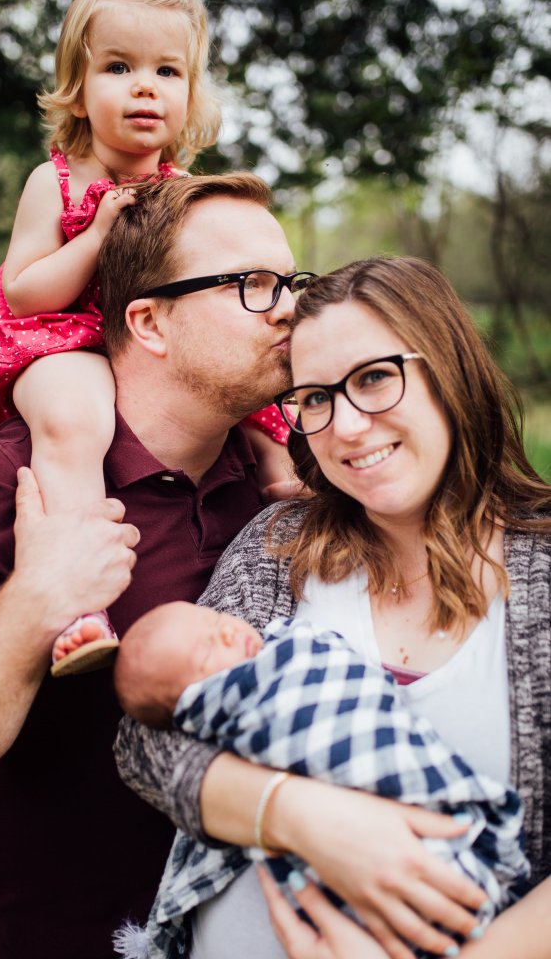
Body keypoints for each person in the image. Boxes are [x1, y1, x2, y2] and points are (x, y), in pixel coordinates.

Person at [0, 171, 314, 959]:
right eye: (250, 284)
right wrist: (38, 597)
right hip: (55, 937)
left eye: (289, 282)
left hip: (256, 934)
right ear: (148, 322)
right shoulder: (7, 483)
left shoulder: (291, 483)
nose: (286, 307)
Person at [114, 255, 551, 959]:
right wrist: (305, 818)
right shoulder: (280, 543)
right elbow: (148, 740)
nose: (345, 426)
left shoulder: (543, 574)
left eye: (374, 378)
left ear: (450, 369)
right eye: (315, 397)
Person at [0, 0, 293, 675]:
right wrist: (97, 234)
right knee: (75, 424)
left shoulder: (178, 192)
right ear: (76, 90)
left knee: (264, 403)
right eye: (118, 67)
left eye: (167, 71)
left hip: (147, 343)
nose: (145, 86)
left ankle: (294, 519)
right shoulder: (57, 180)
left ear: (190, 95)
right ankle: (76, 600)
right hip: (60, 338)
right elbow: (23, 294)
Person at [113, 601, 527, 956]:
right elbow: (142, 737)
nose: (226, 630)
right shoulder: (267, 556)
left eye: (218, 619)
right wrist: (289, 811)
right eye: (206, 649)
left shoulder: (535, 584)